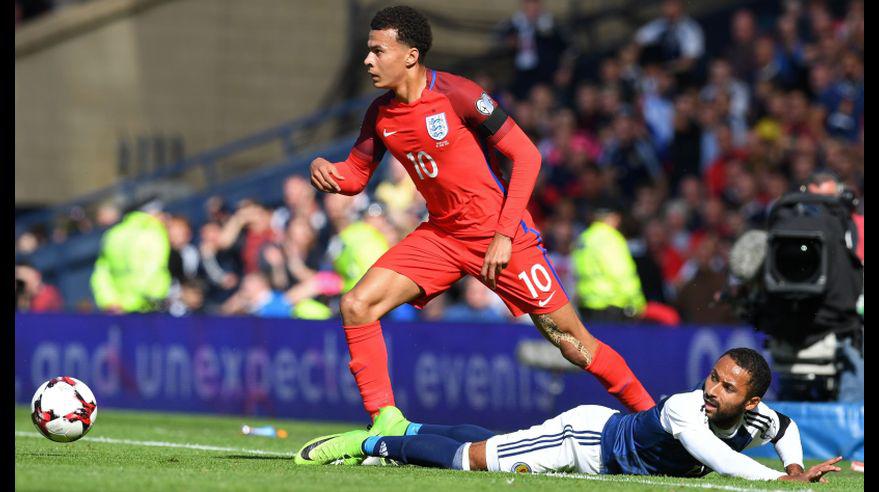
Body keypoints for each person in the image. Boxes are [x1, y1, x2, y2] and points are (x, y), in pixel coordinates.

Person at [307, 6, 655, 426]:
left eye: (378, 51)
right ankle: (385, 421)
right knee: (357, 305)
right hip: (441, 236)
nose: (368, 60)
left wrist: (505, 235)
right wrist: (327, 172)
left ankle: (654, 421)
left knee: (572, 343)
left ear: (411, 55)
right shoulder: (379, 114)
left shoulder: (458, 94)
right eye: (368, 51)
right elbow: (355, 176)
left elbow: (526, 156)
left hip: (500, 234)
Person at [295, 348, 843, 485]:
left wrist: (793, 466)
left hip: (596, 445)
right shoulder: (683, 410)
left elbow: (786, 429)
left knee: (495, 442)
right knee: (472, 462)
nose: (711, 389)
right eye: (713, 377)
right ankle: (369, 444)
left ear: (750, 401)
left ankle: (406, 427)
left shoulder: (758, 417)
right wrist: (783, 481)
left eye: (726, 387)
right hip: (583, 441)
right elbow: (718, 459)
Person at [571, 201, 646, 322]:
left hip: (587, 304)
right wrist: (637, 301)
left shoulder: (584, 238)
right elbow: (620, 272)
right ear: (614, 217)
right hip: (611, 304)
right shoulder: (611, 238)